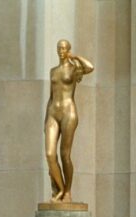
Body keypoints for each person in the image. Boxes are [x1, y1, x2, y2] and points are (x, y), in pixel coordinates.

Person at [45, 39, 94, 203]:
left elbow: (90, 67)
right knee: (50, 154)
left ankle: (67, 191)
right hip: (53, 112)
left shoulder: (74, 69)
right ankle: (58, 189)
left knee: (65, 154)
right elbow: (51, 97)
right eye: (59, 47)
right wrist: (46, 119)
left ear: (68, 50)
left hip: (68, 112)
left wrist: (76, 56)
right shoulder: (53, 71)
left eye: (64, 48)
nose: (61, 50)